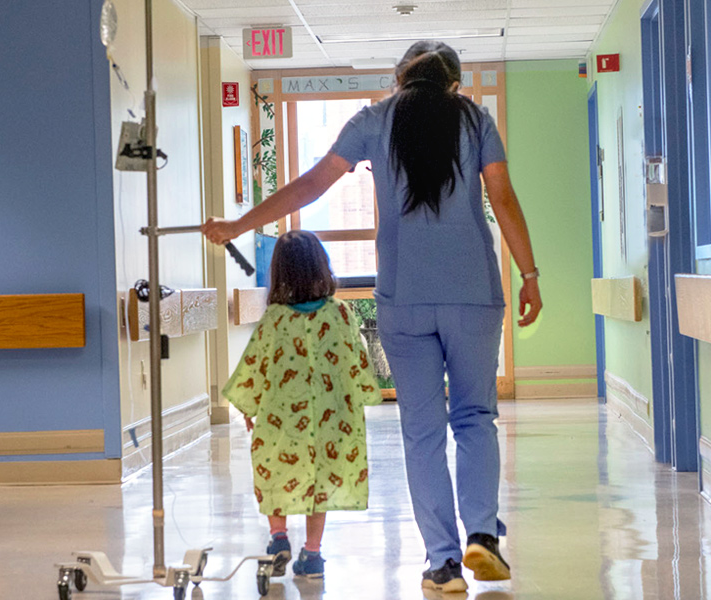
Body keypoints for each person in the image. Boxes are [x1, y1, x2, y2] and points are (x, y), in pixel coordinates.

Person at [203, 41, 541, 593]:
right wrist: (529, 275)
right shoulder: (475, 119)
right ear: (453, 82)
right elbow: (501, 197)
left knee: (422, 432)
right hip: (473, 294)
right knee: (476, 418)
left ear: (399, 79)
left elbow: (311, 184)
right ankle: (483, 533)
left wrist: (239, 226)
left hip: (404, 297)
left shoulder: (374, 120)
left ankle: (444, 563)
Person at [223, 230, 384, 581]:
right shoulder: (341, 314)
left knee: (274, 471)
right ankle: (312, 554)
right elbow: (357, 363)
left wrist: (249, 410)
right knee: (321, 482)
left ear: (279, 273)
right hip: (332, 420)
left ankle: (278, 537)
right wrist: (362, 399)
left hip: (281, 420)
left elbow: (254, 367)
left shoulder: (274, 320)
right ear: (321, 267)